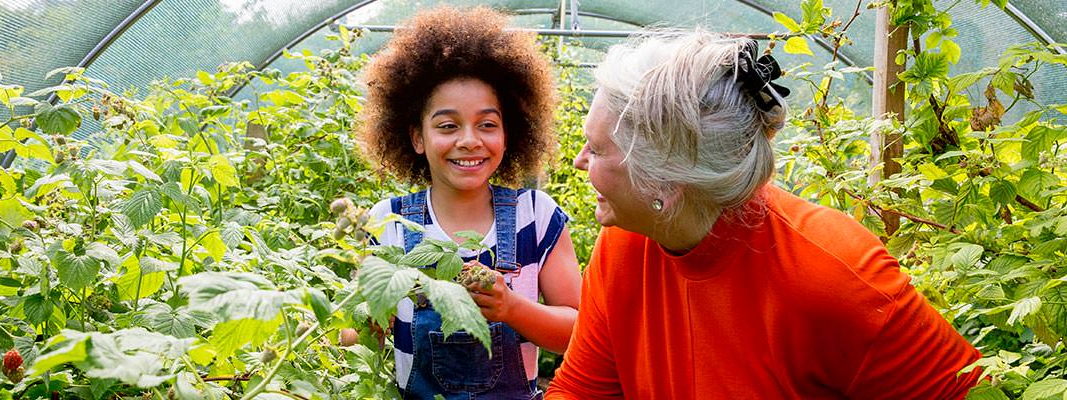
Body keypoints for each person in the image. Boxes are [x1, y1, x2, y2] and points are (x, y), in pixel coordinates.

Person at [546, 28, 984, 399]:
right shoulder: (626, 243)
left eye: (598, 148)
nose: (580, 160)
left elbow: (964, 390)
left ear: (666, 181)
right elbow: (581, 389)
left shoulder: (833, 274)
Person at [356, 7, 581, 399]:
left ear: (509, 135)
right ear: (416, 138)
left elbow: (579, 331)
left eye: (487, 124)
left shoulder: (536, 216)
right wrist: (369, 319)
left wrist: (511, 307)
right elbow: (355, 335)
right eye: (447, 125)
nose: (469, 140)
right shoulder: (388, 223)